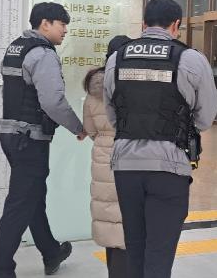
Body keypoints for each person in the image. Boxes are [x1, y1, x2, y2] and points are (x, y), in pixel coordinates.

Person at [103, 0, 217, 278]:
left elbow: (112, 114)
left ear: (144, 23)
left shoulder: (118, 57)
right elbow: (206, 117)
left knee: (134, 247)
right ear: (176, 25)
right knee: (159, 253)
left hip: (126, 166)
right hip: (169, 167)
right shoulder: (190, 59)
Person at [0, 2, 87, 278]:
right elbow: (52, 102)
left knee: (33, 196)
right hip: (30, 139)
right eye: (62, 24)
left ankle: (51, 251)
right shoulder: (43, 54)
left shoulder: (16, 47)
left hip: (11, 135)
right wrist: (78, 127)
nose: (65, 30)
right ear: (45, 23)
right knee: (20, 203)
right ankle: (1, 269)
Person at [83, 35, 132, 278]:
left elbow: (90, 129)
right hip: (131, 153)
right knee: (127, 220)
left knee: (109, 220)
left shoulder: (94, 89)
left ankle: (114, 272)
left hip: (102, 156)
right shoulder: (133, 84)